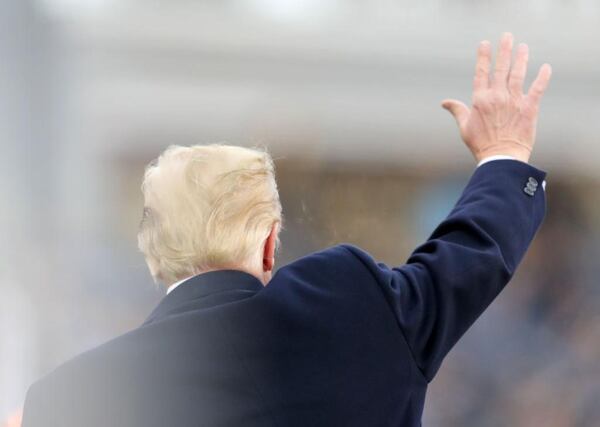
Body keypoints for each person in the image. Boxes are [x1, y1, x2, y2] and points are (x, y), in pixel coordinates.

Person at [21, 33, 552, 427]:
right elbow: (470, 259)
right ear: (271, 242)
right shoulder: (350, 304)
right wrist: (503, 153)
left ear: (154, 257)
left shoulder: (70, 398)